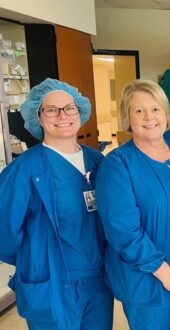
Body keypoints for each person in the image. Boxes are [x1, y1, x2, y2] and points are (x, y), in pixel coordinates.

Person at [0, 78, 113, 329]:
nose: (62, 115)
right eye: (51, 109)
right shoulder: (25, 170)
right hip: (50, 280)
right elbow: (4, 234)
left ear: (80, 111)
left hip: (96, 280)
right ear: (38, 117)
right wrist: (35, 258)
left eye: (70, 107)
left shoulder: (97, 161)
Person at [96, 79, 170, 329]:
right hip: (147, 283)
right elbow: (123, 231)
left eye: (155, 109)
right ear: (127, 117)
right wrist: (165, 273)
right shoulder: (118, 165)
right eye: (139, 110)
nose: (149, 117)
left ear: (165, 114)